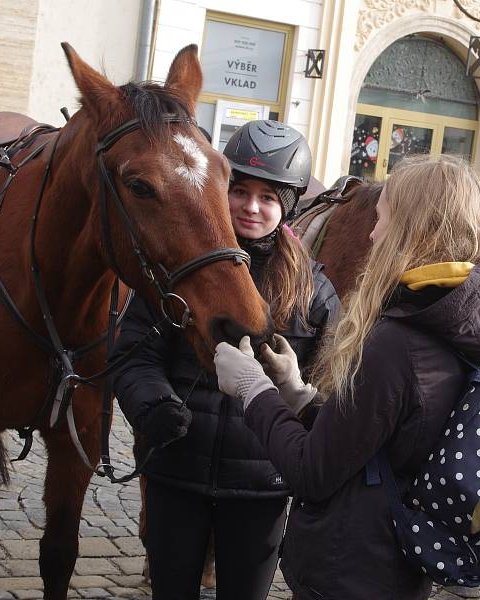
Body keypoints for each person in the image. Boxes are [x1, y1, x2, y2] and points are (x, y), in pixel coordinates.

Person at [213, 154, 480, 600]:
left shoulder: (396, 341)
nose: (372, 233)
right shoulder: (462, 318)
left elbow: (312, 471)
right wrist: (299, 396)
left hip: (354, 566)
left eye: (382, 219)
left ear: (408, 229)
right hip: (396, 563)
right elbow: (380, 434)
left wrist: (253, 389)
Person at [110, 120, 340, 600]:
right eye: (241, 190)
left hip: (263, 484)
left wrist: (301, 396)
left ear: (288, 205)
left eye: (269, 197)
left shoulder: (312, 289)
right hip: (177, 471)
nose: (252, 207)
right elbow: (134, 351)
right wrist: (152, 404)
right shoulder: (176, 265)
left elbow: (332, 381)